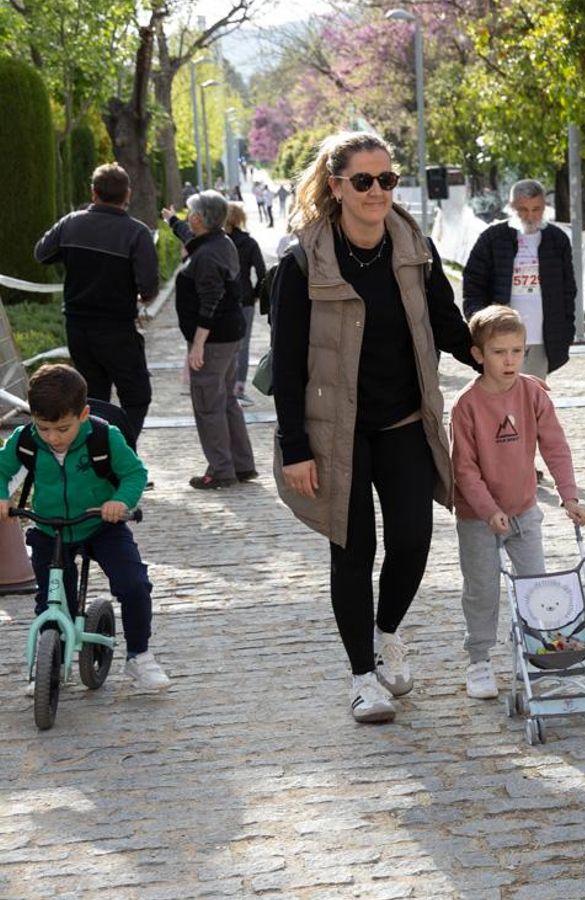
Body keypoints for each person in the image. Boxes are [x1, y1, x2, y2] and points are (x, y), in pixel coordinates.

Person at [271, 131, 478, 724]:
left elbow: (446, 321)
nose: (377, 191)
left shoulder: (414, 245)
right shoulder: (301, 261)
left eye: (386, 179)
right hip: (333, 430)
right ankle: (363, 677)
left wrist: (489, 363)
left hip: (404, 418)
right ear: (335, 187)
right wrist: (294, 446)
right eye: (363, 181)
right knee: (353, 548)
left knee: (413, 539)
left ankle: (387, 631)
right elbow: (286, 363)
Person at [1, 365, 168, 694]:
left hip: (101, 525)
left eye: (63, 428)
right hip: (50, 529)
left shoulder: (105, 436)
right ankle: (49, 662)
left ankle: (139, 656)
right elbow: (1, 468)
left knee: (134, 585)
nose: (53, 437)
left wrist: (119, 502)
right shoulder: (26, 440)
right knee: (52, 598)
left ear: (84, 414)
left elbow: (134, 473)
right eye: (44, 427)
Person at [452, 306, 585, 700]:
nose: (510, 360)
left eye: (517, 350)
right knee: (482, 589)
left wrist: (570, 495)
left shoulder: (532, 392)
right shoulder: (467, 405)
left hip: (524, 510)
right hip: (478, 517)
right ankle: (479, 659)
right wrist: (487, 510)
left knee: (536, 585)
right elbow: (464, 469)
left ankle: (538, 654)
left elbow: (555, 446)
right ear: (479, 354)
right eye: (499, 352)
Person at [33, 164, 157, 449]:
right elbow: (149, 287)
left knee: (93, 397)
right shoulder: (136, 233)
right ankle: (120, 457)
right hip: (117, 327)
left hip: (77, 326)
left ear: (93, 192)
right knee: (137, 395)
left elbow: (42, 253)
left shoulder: (71, 223)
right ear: (127, 193)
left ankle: (95, 459)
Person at [460, 179, 578, 380]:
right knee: (501, 393)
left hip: (543, 335)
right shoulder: (492, 238)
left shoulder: (557, 239)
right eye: (523, 209)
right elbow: (473, 284)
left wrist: (567, 328)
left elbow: (568, 290)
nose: (530, 216)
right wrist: (480, 322)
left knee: (533, 395)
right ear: (511, 207)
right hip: (500, 335)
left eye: (536, 209)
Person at [175, 191, 255, 489]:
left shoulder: (207, 254)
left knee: (209, 405)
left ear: (198, 218)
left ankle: (221, 470)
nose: (187, 219)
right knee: (226, 400)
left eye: (188, 214)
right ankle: (242, 464)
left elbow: (210, 300)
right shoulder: (220, 242)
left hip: (214, 339)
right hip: (229, 334)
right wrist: (171, 220)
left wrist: (197, 345)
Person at [224, 203, 267, 405]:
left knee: (223, 344)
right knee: (243, 345)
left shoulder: (219, 242)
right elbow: (262, 273)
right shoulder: (249, 243)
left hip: (222, 300)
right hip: (245, 298)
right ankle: (239, 387)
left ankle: (224, 386)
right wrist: (256, 293)